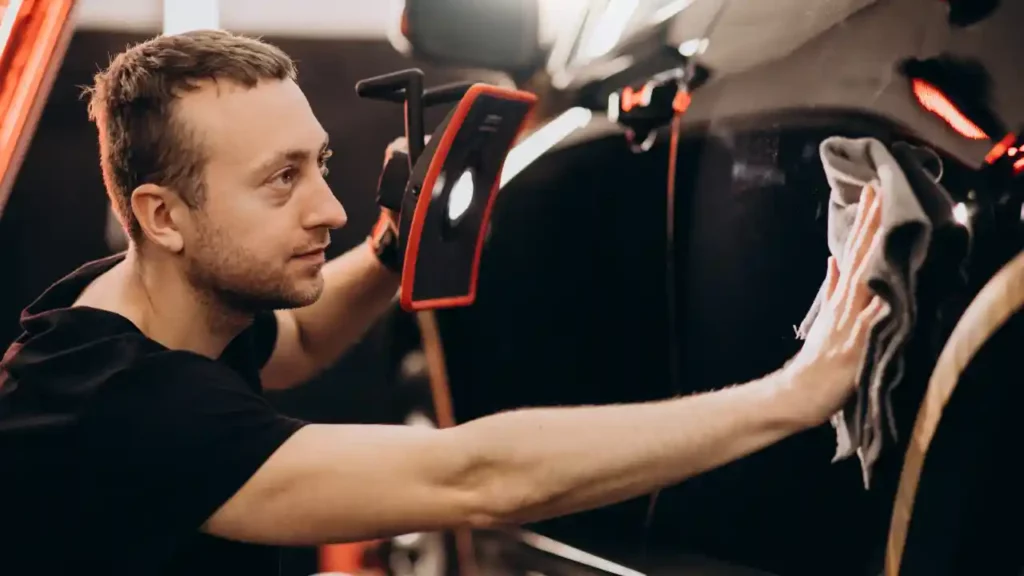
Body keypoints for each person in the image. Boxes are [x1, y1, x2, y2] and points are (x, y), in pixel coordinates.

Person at [0, 30, 887, 576]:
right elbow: (474, 478)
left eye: (322, 164)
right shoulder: (120, 411)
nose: (332, 210)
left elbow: (299, 340)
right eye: (280, 182)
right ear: (161, 216)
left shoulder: (116, 308)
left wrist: (393, 250)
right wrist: (792, 395)